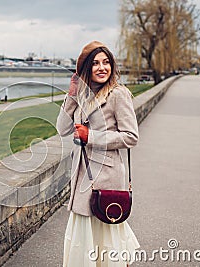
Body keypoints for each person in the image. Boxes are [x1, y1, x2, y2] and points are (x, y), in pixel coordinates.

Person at [56, 41, 140, 266]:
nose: (102, 68)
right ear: (85, 69)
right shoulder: (81, 96)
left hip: (106, 178)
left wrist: (90, 136)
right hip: (82, 178)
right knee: (83, 240)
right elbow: (62, 129)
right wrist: (71, 94)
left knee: (105, 238)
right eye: (95, 63)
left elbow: (131, 136)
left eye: (106, 62)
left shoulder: (118, 94)